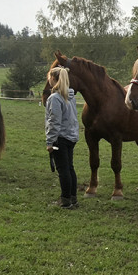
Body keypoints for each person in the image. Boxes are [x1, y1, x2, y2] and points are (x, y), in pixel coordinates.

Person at [45, 66, 79, 209]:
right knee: (69, 168)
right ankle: (73, 198)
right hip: (71, 137)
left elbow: (54, 121)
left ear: (53, 79)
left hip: (60, 138)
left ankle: (65, 200)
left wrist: (50, 141)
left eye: (49, 78)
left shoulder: (55, 98)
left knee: (63, 170)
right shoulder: (70, 96)